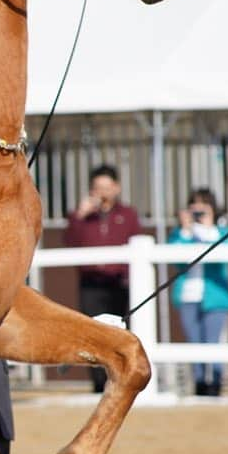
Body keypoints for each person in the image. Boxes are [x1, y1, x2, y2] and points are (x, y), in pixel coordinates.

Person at [65, 164, 142, 391]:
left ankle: (120, 378)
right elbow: (69, 241)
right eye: (98, 187)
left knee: (120, 332)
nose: (103, 192)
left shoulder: (127, 215)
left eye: (107, 187)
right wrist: (80, 216)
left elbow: (135, 243)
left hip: (118, 283)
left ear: (117, 188)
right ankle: (98, 384)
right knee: (93, 333)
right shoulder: (82, 216)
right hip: (91, 284)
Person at [169, 188, 228, 397]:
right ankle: (199, 383)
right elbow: (176, 258)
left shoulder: (221, 231)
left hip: (216, 296)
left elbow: (226, 251)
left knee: (213, 341)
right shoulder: (182, 233)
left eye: (203, 205)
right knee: (194, 342)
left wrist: (207, 228)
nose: (198, 210)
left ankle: (215, 382)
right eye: (194, 205)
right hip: (188, 295)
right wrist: (187, 230)